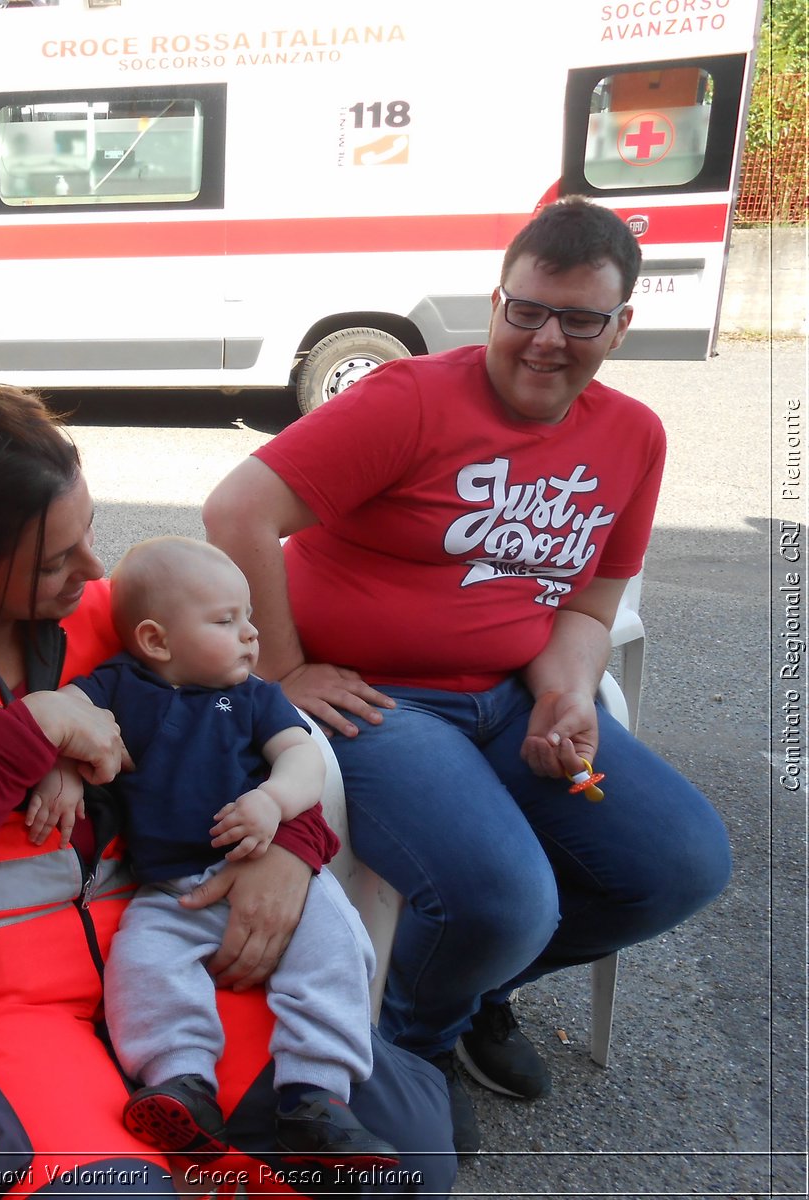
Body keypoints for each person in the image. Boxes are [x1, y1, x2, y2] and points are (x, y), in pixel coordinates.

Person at [0, 365, 455, 1198]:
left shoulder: (94, 611)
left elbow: (241, 724)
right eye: (54, 560)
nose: (91, 567)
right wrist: (32, 729)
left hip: (147, 956)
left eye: (89, 531)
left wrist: (288, 848)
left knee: (402, 1152)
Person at [202, 197, 732, 1156]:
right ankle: (411, 1048)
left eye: (578, 320)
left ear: (621, 326)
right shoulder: (410, 398)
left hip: (511, 698)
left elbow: (587, 604)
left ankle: (465, 993)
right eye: (526, 311)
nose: (544, 340)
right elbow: (237, 510)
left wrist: (570, 690)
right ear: (496, 302)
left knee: (681, 866)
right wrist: (283, 671)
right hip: (378, 700)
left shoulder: (634, 437)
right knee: (504, 899)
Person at [27, 535, 395, 1169]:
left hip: (274, 874)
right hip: (171, 889)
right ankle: (181, 1081)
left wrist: (275, 802)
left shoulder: (255, 698)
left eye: (248, 617)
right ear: (156, 641)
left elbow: (302, 757)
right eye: (227, 621)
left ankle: (317, 1094)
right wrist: (56, 763)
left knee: (335, 948)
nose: (251, 636)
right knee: (143, 965)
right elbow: (64, 714)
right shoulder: (119, 687)